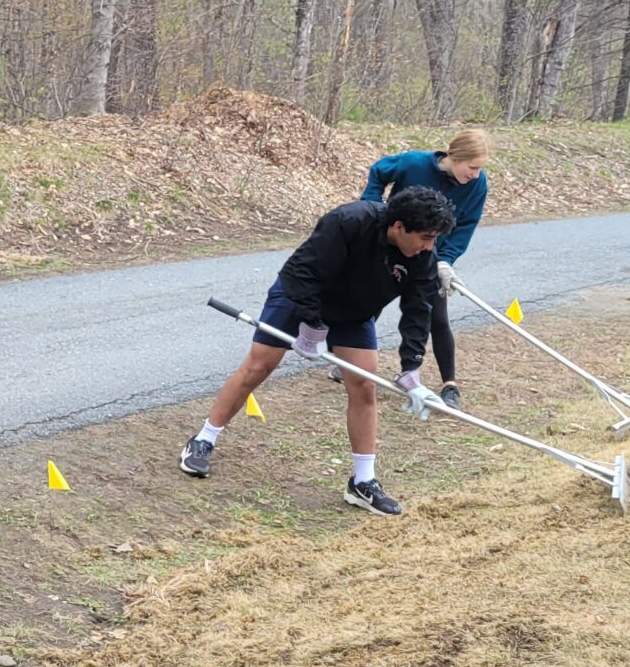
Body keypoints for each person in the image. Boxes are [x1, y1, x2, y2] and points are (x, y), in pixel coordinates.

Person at [179, 185, 454, 515]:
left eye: (434, 239)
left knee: (364, 385)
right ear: (398, 226)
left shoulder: (423, 258)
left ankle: (362, 482)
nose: (429, 246)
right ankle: (204, 439)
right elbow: (302, 271)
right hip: (299, 296)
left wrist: (411, 369)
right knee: (259, 367)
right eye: (425, 237)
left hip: (353, 313)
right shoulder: (350, 221)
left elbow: (418, 312)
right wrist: (311, 325)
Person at [361, 126, 489, 407]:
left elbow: (466, 226)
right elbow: (379, 171)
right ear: (455, 156)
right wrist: (373, 210)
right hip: (394, 246)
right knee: (371, 303)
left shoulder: (477, 185)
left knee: (436, 317)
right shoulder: (414, 163)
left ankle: (449, 385)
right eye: (472, 167)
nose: (476, 174)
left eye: (480, 168)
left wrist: (446, 260)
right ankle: (352, 362)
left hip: (430, 255)